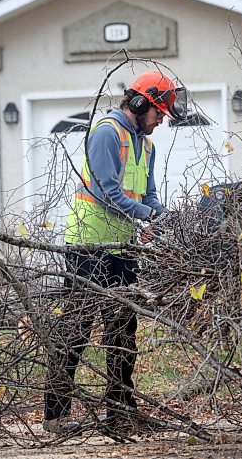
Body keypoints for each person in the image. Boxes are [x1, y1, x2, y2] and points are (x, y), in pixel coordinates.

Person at [43, 70, 187, 434]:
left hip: (123, 246)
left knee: (123, 328)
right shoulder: (107, 133)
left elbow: (148, 195)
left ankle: (120, 410)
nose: (160, 121)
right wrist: (145, 215)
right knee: (77, 327)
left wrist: (163, 218)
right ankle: (56, 415)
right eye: (158, 113)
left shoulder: (147, 144)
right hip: (89, 244)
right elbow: (107, 191)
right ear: (140, 103)